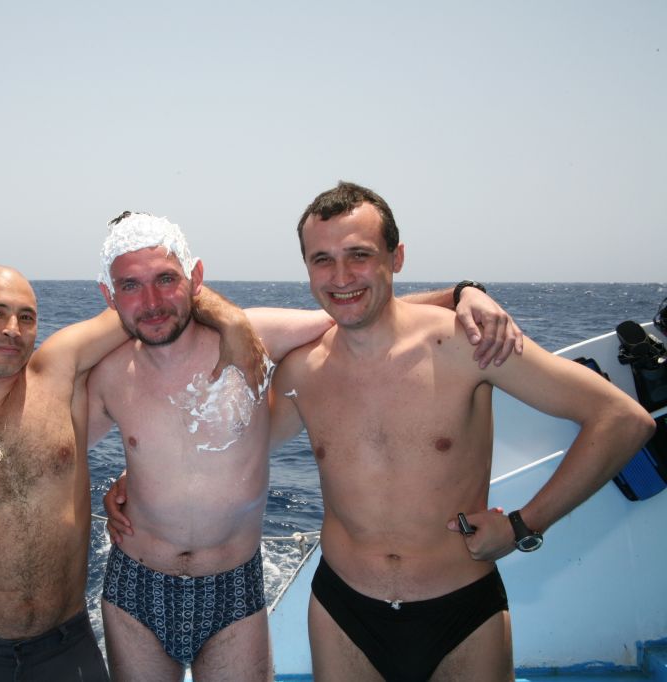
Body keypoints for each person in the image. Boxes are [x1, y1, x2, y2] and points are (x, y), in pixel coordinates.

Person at [90, 211, 524, 682]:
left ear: (194, 278)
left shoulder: (255, 333)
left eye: (165, 279)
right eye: (130, 285)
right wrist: (139, 474)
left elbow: (357, 311)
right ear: (109, 295)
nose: (152, 301)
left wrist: (462, 293)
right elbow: (65, 459)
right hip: (135, 585)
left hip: (232, 587)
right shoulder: (108, 372)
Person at [270, 181, 655, 681]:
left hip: (462, 612)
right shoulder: (302, 372)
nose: (341, 276)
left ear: (396, 257)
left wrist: (523, 526)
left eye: (359, 255)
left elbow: (622, 419)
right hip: (342, 611)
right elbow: (232, 449)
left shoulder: (467, 343)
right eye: (322, 260)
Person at [0, 266, 258, 682]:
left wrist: (231, 320)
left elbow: (149, 301)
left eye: (26, 317)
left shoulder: (59, 373)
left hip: (67, 649)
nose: (12, 329)